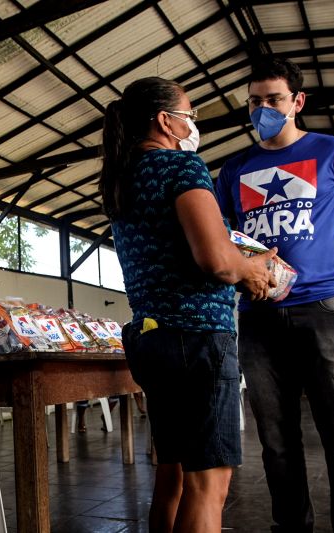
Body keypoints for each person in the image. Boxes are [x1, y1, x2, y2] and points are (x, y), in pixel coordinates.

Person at [215, 57, 334, 533]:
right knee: (277, 444)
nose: (263, 108)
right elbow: (219, 236)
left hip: (323, 309)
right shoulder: (234, 169)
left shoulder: (333, 150)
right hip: (259, 315)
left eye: (274, 99)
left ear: (297, 102)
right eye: (255, 100)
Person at [98, 76, 276, 533]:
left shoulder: (124, 177)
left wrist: (239, 261)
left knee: (172, 474)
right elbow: (216, 260)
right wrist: (253, 269)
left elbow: (181, 251)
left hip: (153, 339)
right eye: (190, 115)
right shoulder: (183, 168)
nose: (193, 124)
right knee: (208, 486)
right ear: (166, 121)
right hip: (198, 341)